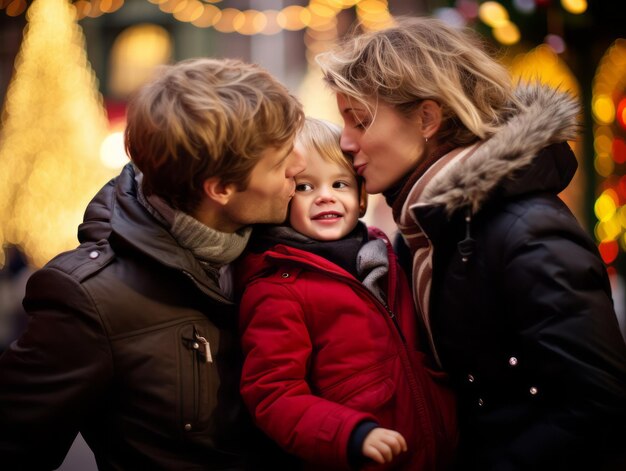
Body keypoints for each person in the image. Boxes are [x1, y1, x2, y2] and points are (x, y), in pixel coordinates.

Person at [317, 16, 626, 471]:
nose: (346, 142)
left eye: (360, 120)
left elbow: (595, 404)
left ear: (426, 118)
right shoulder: (425, 233)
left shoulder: (525, 230)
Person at [0, 57, 306, 469]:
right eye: (279, 161)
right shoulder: (89, 300)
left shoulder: (293, 244)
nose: (299, 166)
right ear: (220, 189)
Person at [235, 117, 458, 470]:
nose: (325, 196)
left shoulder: (385, 258)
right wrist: (350, 434)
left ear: (360, 197)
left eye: (339, 183)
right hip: (358, 453)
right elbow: (273, 393)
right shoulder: (278, 287)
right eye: (305, 187)